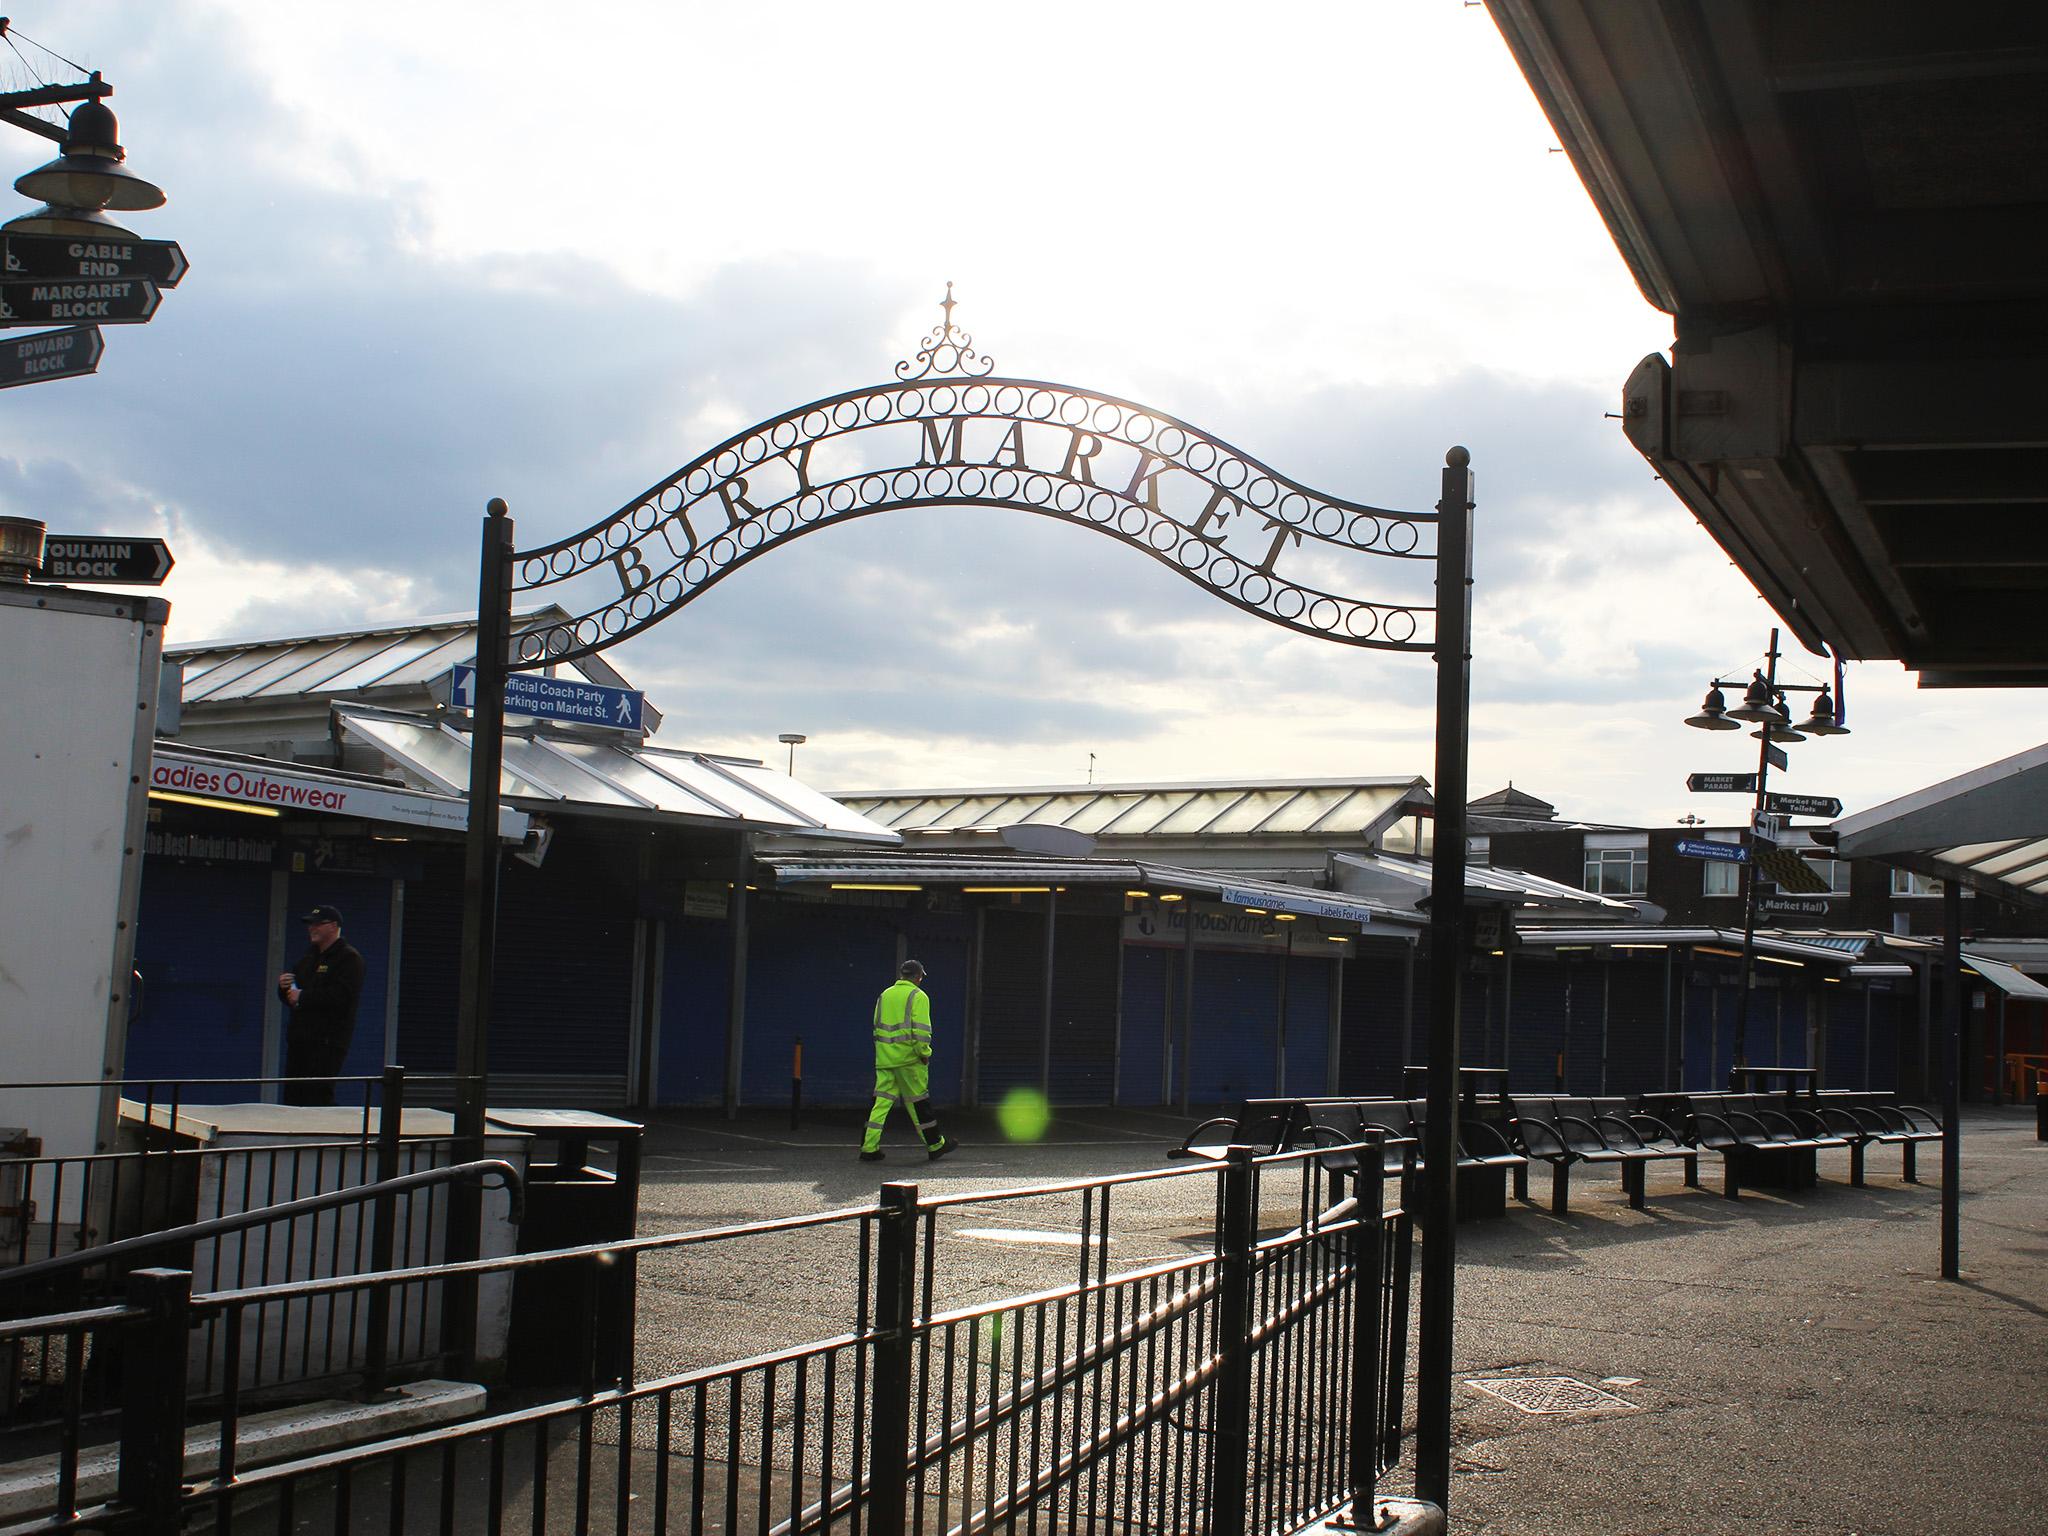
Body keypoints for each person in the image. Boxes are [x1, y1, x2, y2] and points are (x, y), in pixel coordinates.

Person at [860, 959, 956, 1163]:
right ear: (918, 977)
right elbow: (921, 1031)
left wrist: (884, 1052)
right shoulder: (918, 996)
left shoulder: (884, 995)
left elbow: (876, 1025)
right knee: (919, 1103)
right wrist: (924, 1053)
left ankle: (868, 1148)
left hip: (885, 1059)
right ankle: (935, 1145)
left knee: (880, 1104)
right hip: (909, 1060)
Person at [276, 904, 365, 1106]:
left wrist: (303, 996)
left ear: (333, 926)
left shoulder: (349, 958)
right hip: (300, 1040)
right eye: (310, 924)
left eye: (318, 924)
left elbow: (341, 997)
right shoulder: (308, 958)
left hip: (326, 1042)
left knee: (317, 1096)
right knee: (293, 1096)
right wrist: (284, 988)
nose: (312, 928)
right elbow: (293, 997)